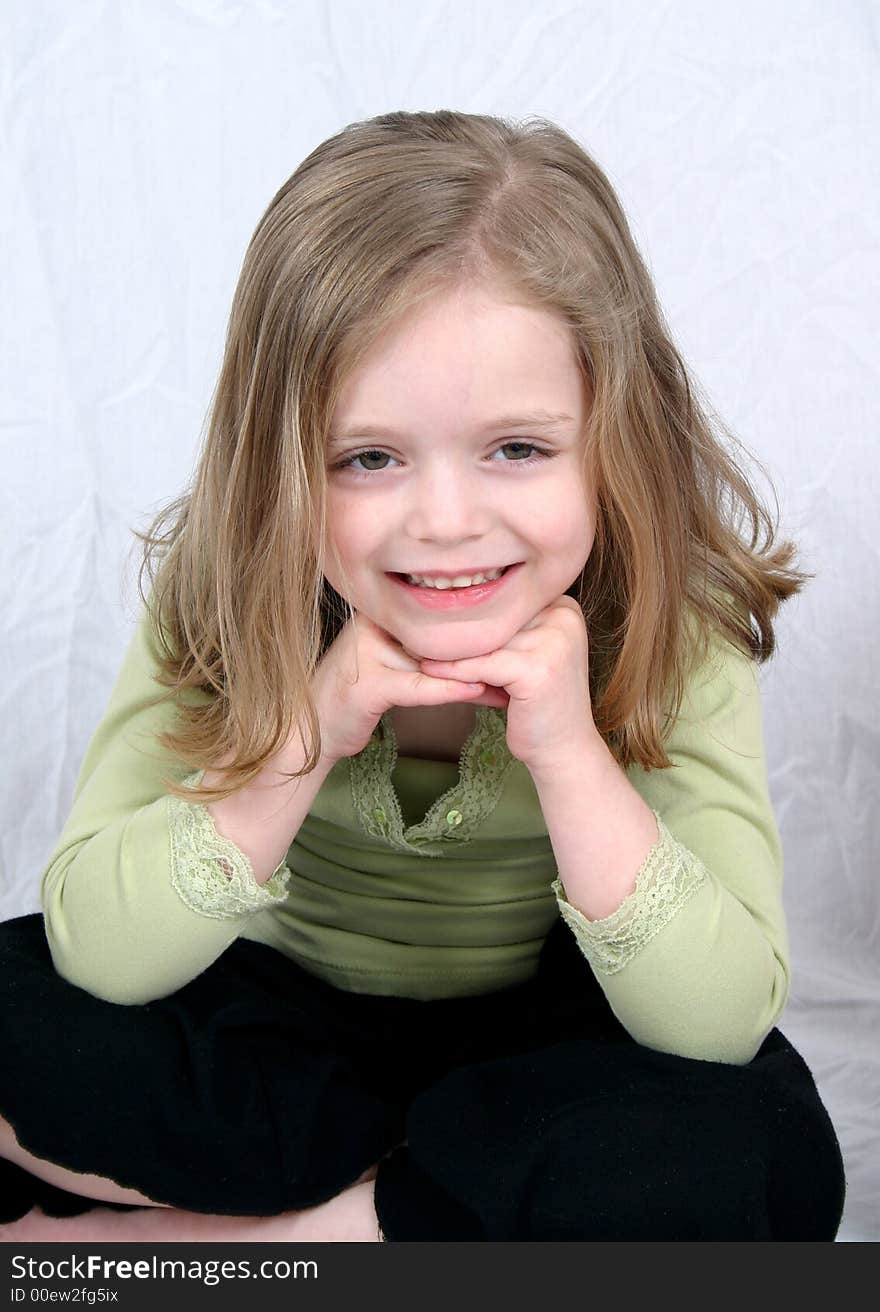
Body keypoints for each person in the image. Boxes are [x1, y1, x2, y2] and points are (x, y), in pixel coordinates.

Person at [0, 109, 846, 1242]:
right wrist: (308, 728)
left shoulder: (668, 624)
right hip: (277, 1035)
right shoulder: (227, 593)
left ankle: (274, 1242)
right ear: (282, 457)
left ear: (615, 436)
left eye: (518, 447)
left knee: (761, 1144)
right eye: (369, 457)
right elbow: (99, 952)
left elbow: (720, 1018)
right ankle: (428, 1208)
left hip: (545, 1048)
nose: (445, 523)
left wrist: (568, 750)